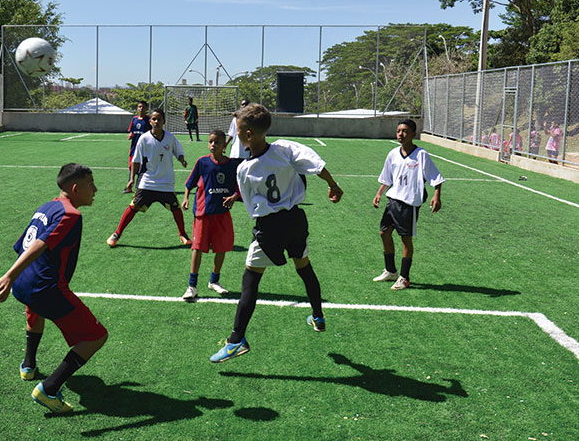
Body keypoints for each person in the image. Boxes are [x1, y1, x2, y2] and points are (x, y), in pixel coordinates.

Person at [209, 103, 344, 364]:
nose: (235, 135)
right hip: (296, 221)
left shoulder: (244, 169)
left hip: (269, 227)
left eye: (237, 131)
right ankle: (318, 316)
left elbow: (252, 208)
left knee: (250, 280)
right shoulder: (284, 148)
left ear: (249, 135)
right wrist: (333, 185)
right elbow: (315, 164)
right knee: (304, 267)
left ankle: (236, 340)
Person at [0, 163, 108, 415]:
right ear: (76, 189)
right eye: (91, 184)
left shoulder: (47, 206)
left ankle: (28, 365)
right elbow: (40, 244)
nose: (95, 189)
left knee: (36, 311)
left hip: (25, 283)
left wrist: (15, 277)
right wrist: (9, 275)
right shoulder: (71, 215)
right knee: (96, 336)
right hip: (43, 286)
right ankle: (49, 388)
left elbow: (22, 244)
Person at [371, 119, 444, 291]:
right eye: (398, 131)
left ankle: (404, 278)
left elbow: (436, 177)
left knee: (405, 239)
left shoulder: (421, 155)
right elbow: (387, 178)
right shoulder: (393, 154)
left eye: (404, 131)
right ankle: (390, 271)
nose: (400, 134)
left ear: (413, 134)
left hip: (409, 203)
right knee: (384, 233)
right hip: (393, 200)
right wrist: (379, 193)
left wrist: (436, 196)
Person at [107, 108, 191, 247]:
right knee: (133, 207)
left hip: (166, 183)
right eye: (154, 119)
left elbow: (178, 151)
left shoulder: (170, 137)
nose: (156, 121)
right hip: (147, 182)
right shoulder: (144, 139)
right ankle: (117, 233)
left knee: (176, 209)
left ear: (164, 121)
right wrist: (132, 179)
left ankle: (182, 234)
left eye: (159, 119)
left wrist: (181, 159)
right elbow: (136, 160)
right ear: (150, 121)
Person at [181, 129, 241, 300]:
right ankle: (192, 286)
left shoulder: (231, 165)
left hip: (221, 213)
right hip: (203, 213)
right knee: (197, 247)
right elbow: (189, 183)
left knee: (221, 248)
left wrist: (234, 196)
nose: (213, 144)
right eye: (210, 141)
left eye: (217, 142)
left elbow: (239, 187)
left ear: (224, 145)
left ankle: (214, 281)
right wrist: (185, 199)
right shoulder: (202, 162)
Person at [123, 100, 150, 193]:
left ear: (146, 109)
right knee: (131, 167)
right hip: (134, 148)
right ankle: (129, 186)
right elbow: (132, 131)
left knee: (141, 168)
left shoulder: (149, 120)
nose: (141, 108)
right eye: (139, 107)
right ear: (137, 108)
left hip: (144, 149)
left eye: (143, 107)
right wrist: (130, 135)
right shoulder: (134, 119)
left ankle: (140, 187)